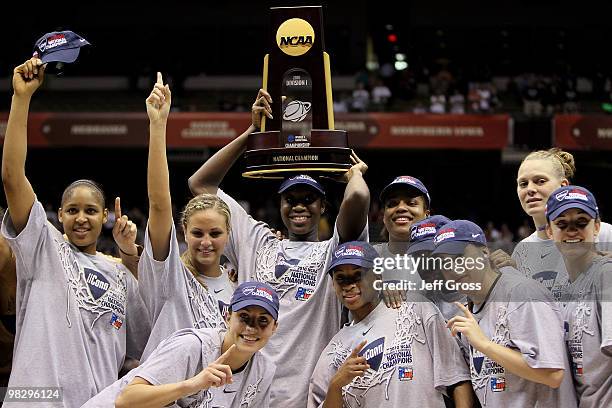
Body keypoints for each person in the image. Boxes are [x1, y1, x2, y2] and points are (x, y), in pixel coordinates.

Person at [188, 89, 370, 408]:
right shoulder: (255, 239)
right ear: (280, 205)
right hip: (244, 393)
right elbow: (201, 185)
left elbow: (357, 199)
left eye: (308, 199)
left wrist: (352, 174)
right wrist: (250, 134)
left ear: (323, 206)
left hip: (304, 397)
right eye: (291, 199)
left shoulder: (334, 251)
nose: (299, 206)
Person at [1, 57, 150, 407]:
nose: (81, 218)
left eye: (90, 211)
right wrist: (21, 98)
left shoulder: (120, 274)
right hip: (34, 400)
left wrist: (129, 255)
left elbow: (141, 345)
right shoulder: (43, 244)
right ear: (59, 215)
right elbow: (11, 177)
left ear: (105, 218)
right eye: (72, 210)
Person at [308, 241, 474, 408]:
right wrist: (337, 384)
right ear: (333, 284)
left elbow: (457, 377)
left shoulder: (415, 308)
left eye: (358, 275)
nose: (349, 285)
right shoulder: (333, 351)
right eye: (341, 278)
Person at [137, 73, 232, 360]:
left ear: (228, 234)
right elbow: (159, 204)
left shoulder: (238, 286)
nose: (206, 242)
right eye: (197, 233)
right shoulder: (171, 278)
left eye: (215, 234)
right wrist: (158, 125)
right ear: (183, 232)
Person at [434, 220, 578, 407]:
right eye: (445, 264)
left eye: (460, 258)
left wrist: (484, 344)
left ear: (485, 253)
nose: (454, 269)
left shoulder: (523, 293)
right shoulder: (469, 308)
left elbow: (552, 374)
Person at [84, 281, 279, 408]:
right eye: (244, 317)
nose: (252, 328)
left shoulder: (263, 371)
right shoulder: (191, 346)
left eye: (263, 320)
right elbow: (126, 400)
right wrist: (192, 384)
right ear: (227, 317)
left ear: (275, 327)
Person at [508, 148, 612, 300]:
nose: (530, 189)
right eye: (523, 184)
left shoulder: (603, 233)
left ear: (563, 185)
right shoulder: (521, 251)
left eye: (540, 181)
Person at [544, 185, 612, 407]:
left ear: (597, 227)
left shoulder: (606, 275)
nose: (572, 231)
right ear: (549, 231)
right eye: (562, 224)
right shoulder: (560, 289)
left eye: (581, 223)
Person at [374, 176, 431, 309]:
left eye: (411, 203)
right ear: (383, 216)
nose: (400, 208)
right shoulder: (367, 258)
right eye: (392, 204)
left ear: (427, 215)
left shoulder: (439, 260)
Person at [405, 215, 467, 321]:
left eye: (431, 254)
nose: (424, 266)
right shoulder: (418, 295)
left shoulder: (485, 291)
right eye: (417, 255)